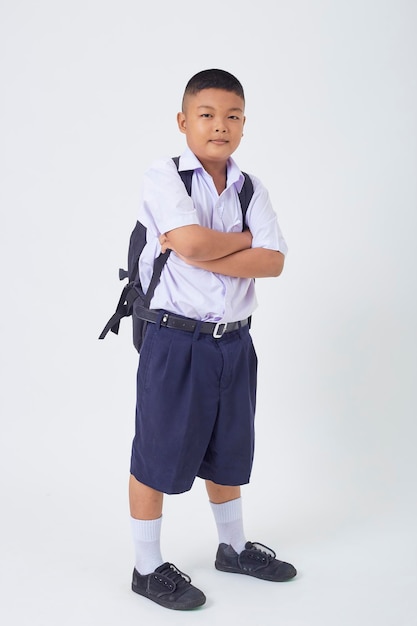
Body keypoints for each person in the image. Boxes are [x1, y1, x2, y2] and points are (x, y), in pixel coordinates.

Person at [128, 68, 296, 611]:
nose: (220, 126)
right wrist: (237, 242)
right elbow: (191, 245)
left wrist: (205, 245)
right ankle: (146, 567)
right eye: (207, 114)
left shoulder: (250, 187)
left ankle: (234, 548)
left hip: (234, 342)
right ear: (183, 121)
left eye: (232, 116)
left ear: (244, 125)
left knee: (229, 449)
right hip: (175, 338)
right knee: (156, 452)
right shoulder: (165, 177)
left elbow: (272, 263)